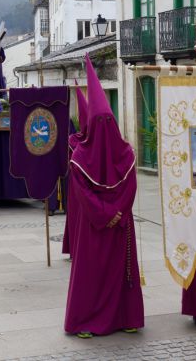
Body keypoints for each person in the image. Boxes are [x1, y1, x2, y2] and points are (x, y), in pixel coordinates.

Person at [64, 55, 144, 338]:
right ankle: (86, 320)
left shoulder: (126, 153)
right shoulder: (81, 157)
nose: (105, 128)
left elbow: (130, 185)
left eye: (108, 122)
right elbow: (83, 193)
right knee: (92, 274)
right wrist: (108, 214)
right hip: (95, 225)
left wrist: (118, 212)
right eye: (100, 123)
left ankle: (126, 316)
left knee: (122, 274)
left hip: (120, 224)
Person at [62, 86, 88, 257]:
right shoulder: (75, 141)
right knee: (77, 215)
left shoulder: (76, 139)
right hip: (77, 185)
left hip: (81, 186)